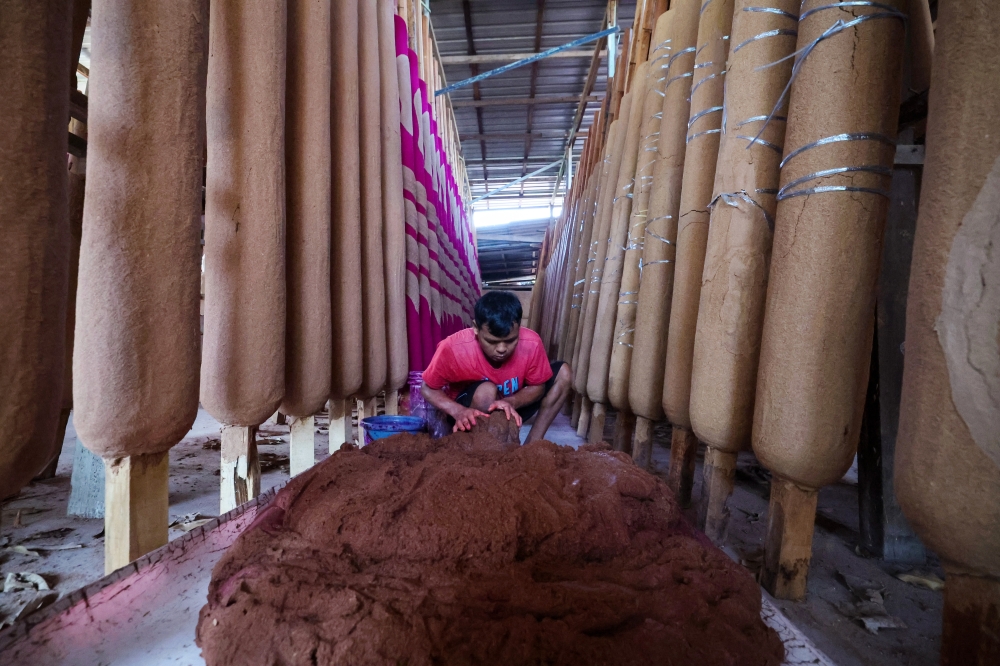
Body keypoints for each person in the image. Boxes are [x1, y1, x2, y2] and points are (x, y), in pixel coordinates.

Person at [421, 290, 573, 443]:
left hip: (512, 406)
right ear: (475, 328)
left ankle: (532, 445)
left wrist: (511, 402)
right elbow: (427, 388)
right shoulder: (453, 348)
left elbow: (538, 387)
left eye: (510, 340)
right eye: (492, 342)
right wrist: (458, 411)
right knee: (486, 391)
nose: (501, 349)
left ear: (519, 328)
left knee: (563, 373)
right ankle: (482, 446)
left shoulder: (532, 343)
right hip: (469, 412)